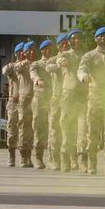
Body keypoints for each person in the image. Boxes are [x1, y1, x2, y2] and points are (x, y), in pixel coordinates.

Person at [77, 26, 105, 176]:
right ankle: (92, 164)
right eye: (100, 36)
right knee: (93, 134)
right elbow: (82, 68)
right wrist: (83, 76)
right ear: (96, 38)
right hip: (95, 98)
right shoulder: (89, 55)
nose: (103, 38)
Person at [58, 29, 88, 172]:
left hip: (82, 96)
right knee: (67, 127)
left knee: (83, 128)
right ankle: (66, 159)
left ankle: (82, 159)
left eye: (79, 38)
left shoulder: (86, 56)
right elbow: (60, 61)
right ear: (69, 41)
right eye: (74, 39)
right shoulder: (65, 54)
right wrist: (62, 62)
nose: (77, 41)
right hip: (68, 95)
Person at [44, 34, 68, 171]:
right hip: (56, 98)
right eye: (62, 43)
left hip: (70, 98)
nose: (64, 45)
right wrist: (58, 63)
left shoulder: (72, 57)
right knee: (54, 129)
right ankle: (53, 159)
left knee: (69, 129)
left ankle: (69, 159)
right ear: (58, 46)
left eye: (66, 43)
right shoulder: (53, 59)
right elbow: (48, 67)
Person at [29, 40, 54, 169]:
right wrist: (38, 80)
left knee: (54, 128)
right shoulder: (36, 64)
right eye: (46, 49)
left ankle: (52, 158)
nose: (48, 51)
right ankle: (38, 158)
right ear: (42, 51)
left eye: (50, 49)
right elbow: (33, 74)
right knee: (39, 127)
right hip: (40, 97)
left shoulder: (55, 62)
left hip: (53, 97)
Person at [1, 42, 23, 167]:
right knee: (12, 130)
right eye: (19, 52)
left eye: (23, 52)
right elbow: (4, 71)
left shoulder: (28, 65)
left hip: (25, 102)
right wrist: (15, 64)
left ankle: (24, 156)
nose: (22, 54)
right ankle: (11, 155)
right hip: (13, 101)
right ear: (16, 54)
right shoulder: (12, 66)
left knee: (24, 130)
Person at [15, 41, 35, 168]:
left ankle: (29, 155)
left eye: (34, 50)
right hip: (24, 98)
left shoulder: (36, 64)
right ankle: (23, 156)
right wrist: (24, 62)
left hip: (36, 97)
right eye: (30, 50)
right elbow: (16, 68)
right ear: (25, 52)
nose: (32, 53)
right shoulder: (21, 64)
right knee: (23, 127)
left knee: (33, 127)